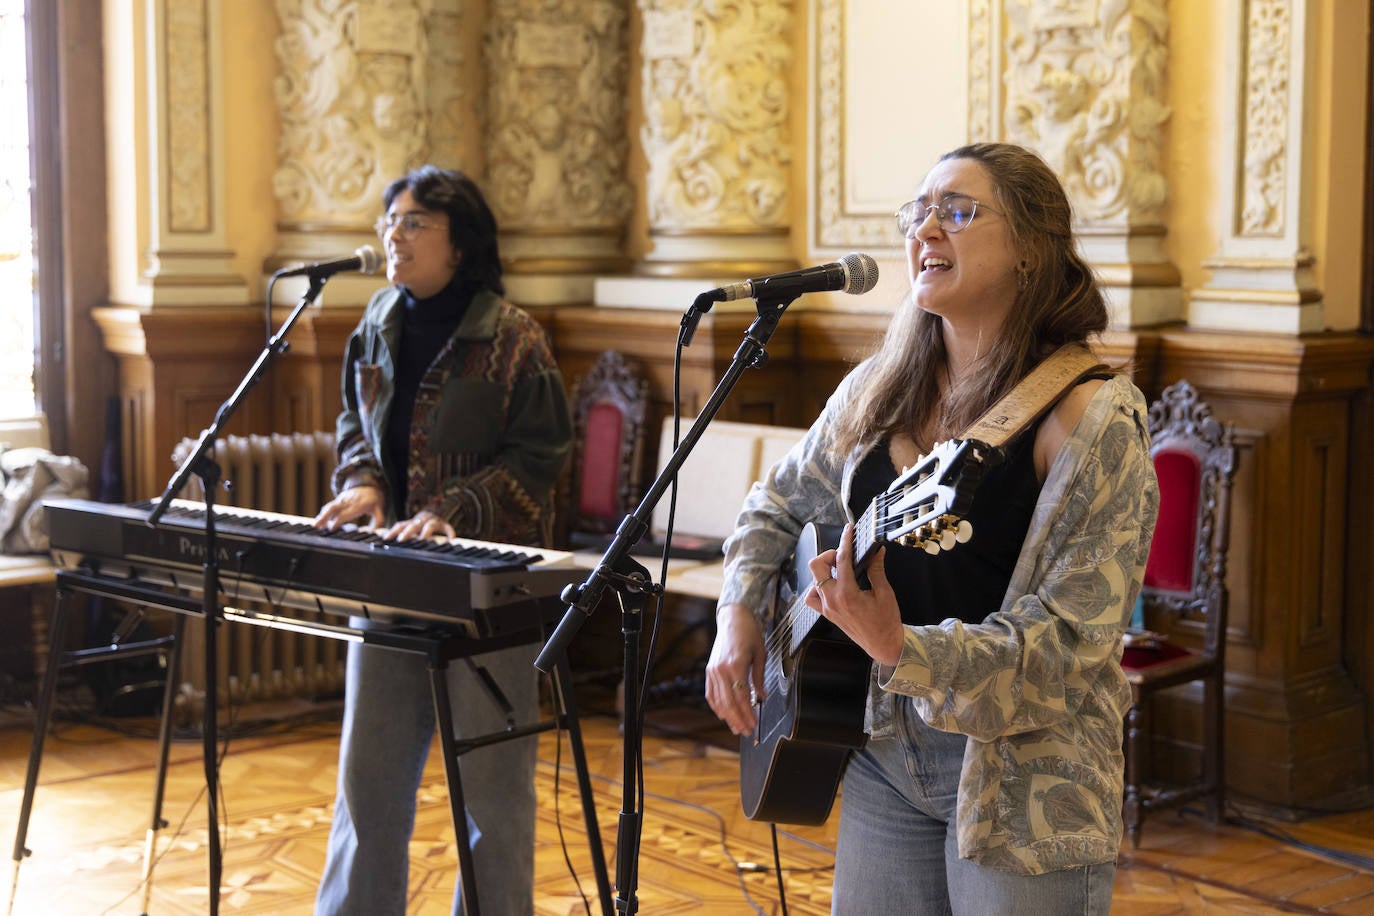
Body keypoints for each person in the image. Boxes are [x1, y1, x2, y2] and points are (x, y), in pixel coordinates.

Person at [705, 142, 1159, 914]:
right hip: (881, 751)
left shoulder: (1092, 418)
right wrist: (737, 612)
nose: (925, 231)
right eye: (917, 213)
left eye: (956, 211)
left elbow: (1071, 647)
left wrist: (899, 647)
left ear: (1030, 249)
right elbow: (776, 502)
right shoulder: (880, 388)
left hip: (1026, 784)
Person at [312, 165, 572, 915]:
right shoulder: (376, 325)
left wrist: (453, 510)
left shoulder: (516, 339)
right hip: (388, 583)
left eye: (416, 221)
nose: (396, 233)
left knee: (493, 797)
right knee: (369, 788)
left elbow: (539, 458)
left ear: (461, 244)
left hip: (487, 595)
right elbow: (352, 429)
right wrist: (362, 481)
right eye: (390, 221)